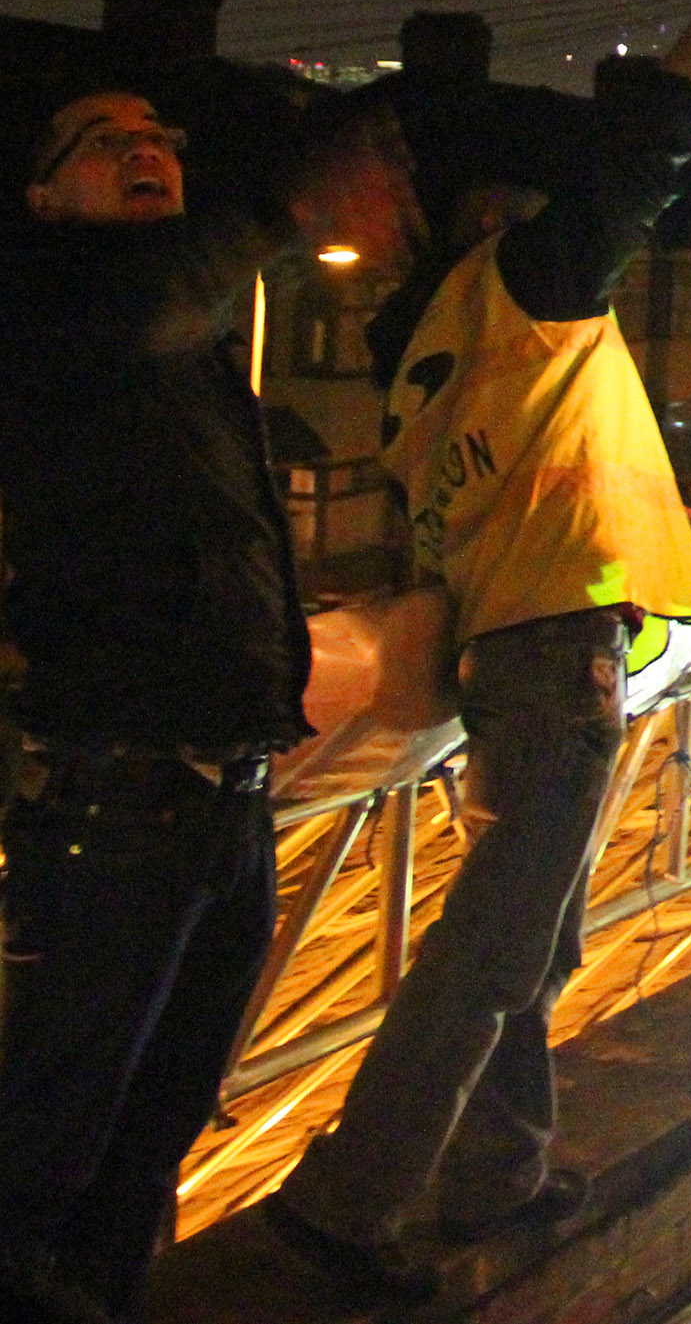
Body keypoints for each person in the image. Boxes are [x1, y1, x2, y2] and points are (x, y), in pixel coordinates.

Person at [272, 0, 691, 1304]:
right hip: (559, 663)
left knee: (528, 936)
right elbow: (650, 144)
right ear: (489, 206)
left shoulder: (413, 349)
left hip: (505, 659)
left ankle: (503, 1166)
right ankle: (347, 1204)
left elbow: (521, 478)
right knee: (493, 950)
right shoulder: (526, 286)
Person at [0, 70, 416, 1324]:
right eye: (103, 141)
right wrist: (289, 200)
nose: (146, 152)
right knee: (55, 1130)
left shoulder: (186, 356)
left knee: (162, 1115)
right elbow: (152, 299)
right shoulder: (51, 306)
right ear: (44, 196)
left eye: (158, 137)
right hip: (116, 799)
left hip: (226, 798)